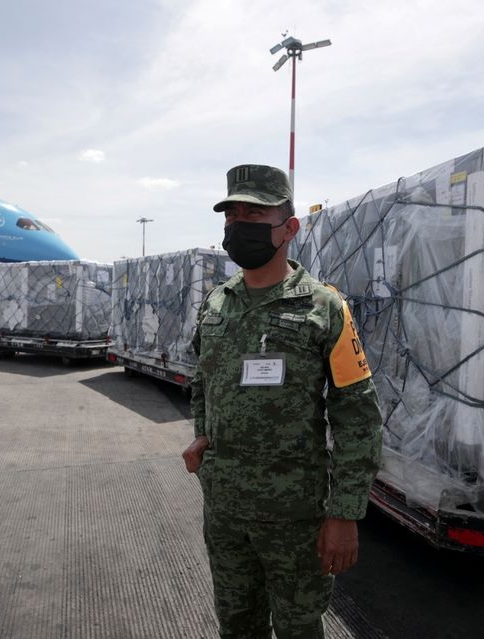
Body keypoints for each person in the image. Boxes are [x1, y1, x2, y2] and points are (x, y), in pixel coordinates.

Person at [183, 164, 383, 639]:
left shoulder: (324, 306)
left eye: (253, 213)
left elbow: (358, 415)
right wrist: (203, 435)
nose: (237, 226)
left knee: (299, 628)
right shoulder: (216, 303)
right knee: (236, 624)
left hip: (295, 517)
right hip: (226, 509)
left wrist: (345, 513)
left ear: (288, 227)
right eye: (231, 215)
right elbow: (202, 381)